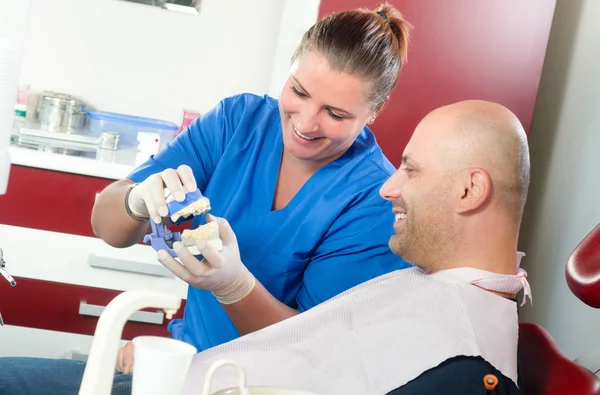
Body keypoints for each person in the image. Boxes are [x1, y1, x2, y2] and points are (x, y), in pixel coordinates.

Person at [0, 4, 413, 395]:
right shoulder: (239, 123)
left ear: (374, 111)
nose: (306, 123)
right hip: (179, 370)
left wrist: (234, 286)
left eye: (335, 114)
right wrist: (137, 202)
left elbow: (315, 354)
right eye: (299, 92)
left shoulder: (375, 200)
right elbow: (106, 225)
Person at [177, 99, 531, 395]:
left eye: (412, 170)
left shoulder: (464, 368)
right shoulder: (429, 286)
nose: (388, 188)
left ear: (469, 190)